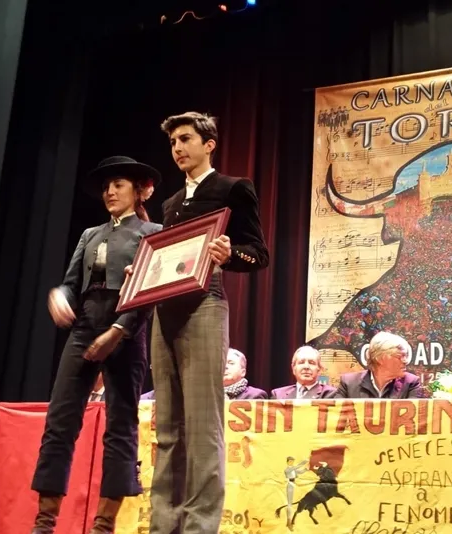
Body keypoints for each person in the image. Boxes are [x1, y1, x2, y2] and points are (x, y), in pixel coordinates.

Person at [131, 111, 269, 533]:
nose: (178, 149)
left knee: (203, 424)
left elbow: (257, 253)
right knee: (168, 426)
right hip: (164, 310)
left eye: (186, 139)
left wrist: (232, 254)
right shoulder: (171, 204)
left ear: (209, 144)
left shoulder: (232, 188)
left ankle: (198, 527)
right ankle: (163, 525)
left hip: (205, 303)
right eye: (173, 143)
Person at [30, 156, 162, 534]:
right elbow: (72, 282)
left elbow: (150, 289)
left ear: (140, 190)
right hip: (85, 324)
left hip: (127, 327)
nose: (109, 192)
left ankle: (104, 524)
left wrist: (120, 328)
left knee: (121, 426)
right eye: (106, 186)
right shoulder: (90, 234)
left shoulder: (153, 232)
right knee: (59, 421)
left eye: (118, 184)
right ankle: (44, 521)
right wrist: (59, 295)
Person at [333, 331, 423, 399]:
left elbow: (413, 420)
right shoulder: (349, 383)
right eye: (400, 356)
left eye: (405, 356)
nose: (406, 361)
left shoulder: (411, 383)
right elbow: (338, 419)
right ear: (380, 358)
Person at [271, 346, 338, 400]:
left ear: (319, 370)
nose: (306, 367)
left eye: (311, 363)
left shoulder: (330, 394)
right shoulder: (278, 395)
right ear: (293, 368)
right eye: (301, 362)